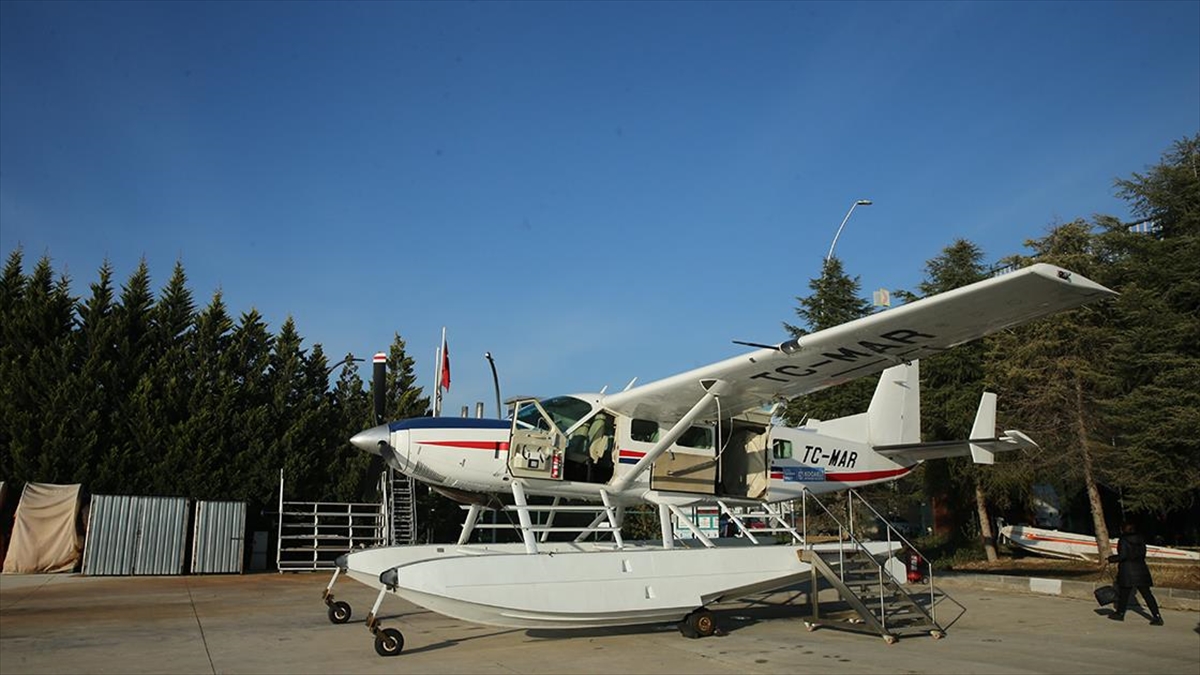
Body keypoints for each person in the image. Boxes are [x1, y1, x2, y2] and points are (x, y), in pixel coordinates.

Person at [1107, 522, 1163, 625]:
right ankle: (1157, 616)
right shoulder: (1141, 539)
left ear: (1123, 530)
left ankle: (1120, 613)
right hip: (1141, 568)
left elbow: (1123, 556)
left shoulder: (1123, 540)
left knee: (1124, 593)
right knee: (1147, 594)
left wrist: (1111, 559)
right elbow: (1143, 554)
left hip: (1127, 570)